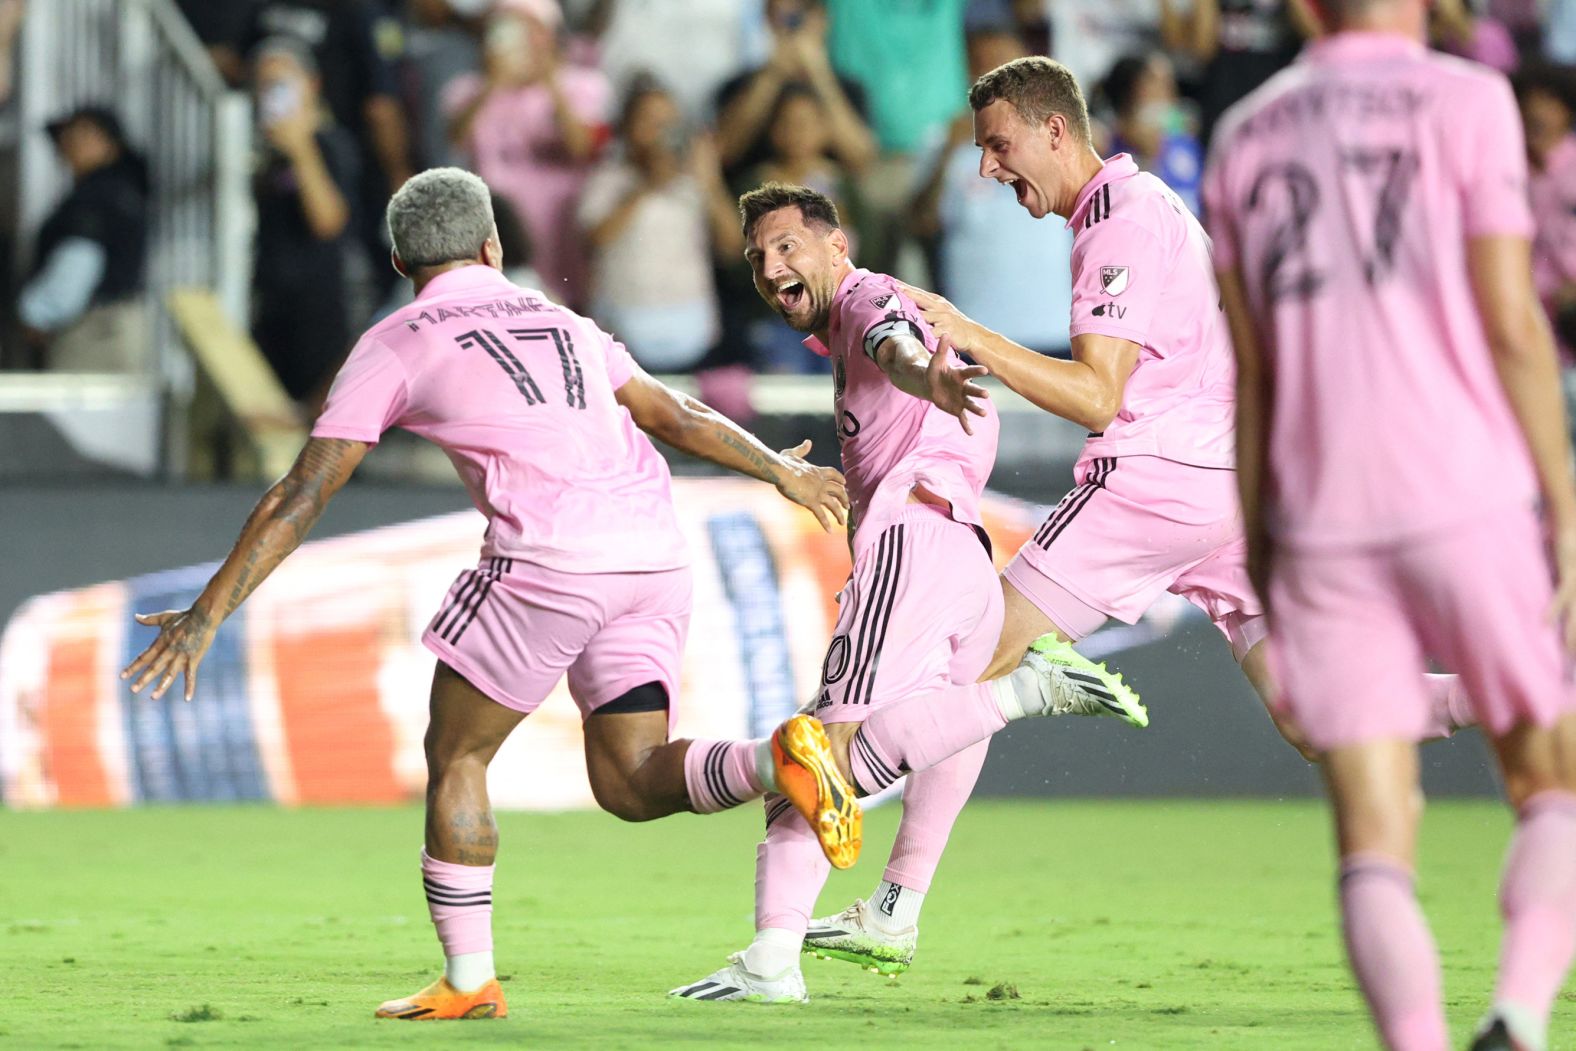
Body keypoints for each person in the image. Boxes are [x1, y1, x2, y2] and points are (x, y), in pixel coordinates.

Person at [772, 55, 1477, 976]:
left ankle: (895, 903)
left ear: (1054, 129)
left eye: (999, 145)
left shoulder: (1119, 221)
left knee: (970, 658)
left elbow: (1102, 396)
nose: (988, 168)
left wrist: (968, 329)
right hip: (1237, 485)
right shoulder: (1149, 209)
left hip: (1159, 479)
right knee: (1313, 715)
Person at [121, 167, 850, 1022]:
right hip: (653, 558)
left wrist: (208, 611)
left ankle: (469, 978)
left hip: (547, 564)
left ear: (399, 260)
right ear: (492, 246)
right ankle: (778, 760)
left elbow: (303, 492)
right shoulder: (565, 321)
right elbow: (673, 413)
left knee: (458, 758)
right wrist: (782, 469)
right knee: (629, 781)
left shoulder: (394, 340)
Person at [1203, 2, 1576, 1047]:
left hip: (1317, 514)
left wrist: (1265, 543)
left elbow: (1256, 378)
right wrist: (1563, 501)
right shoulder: (1470, 101)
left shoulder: (1244, 137)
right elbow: (1510, 319)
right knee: (1551, 777)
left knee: (1373, 835)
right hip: (1464, 489)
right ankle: (1517, 1010)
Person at [667, 182, 1137, 1003]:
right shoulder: (866, 317)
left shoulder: (866, 298)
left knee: (815, 757)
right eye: (756, 258)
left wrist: (926, 378)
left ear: (836, 245)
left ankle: (772, 960)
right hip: (964, 557)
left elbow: (892, 344)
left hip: (912, 541)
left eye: (787, 246)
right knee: (928, 738)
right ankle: (894, 908)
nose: (771, 266)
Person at [910, 25, 1074, 357]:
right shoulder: (940, 141)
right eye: (984, 66)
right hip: (973, 333)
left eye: (1006, 67)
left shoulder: (1060, 137)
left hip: (1057, 328)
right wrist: (946, 153)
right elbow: (921, 224)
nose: (996, 79)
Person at [445, 0, 609, 308]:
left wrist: (551, 80)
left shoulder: (582, 84)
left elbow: (582, 148)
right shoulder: (468, 89)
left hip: (560, 228)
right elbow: (455, 138)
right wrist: (493, 82)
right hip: (501, 228)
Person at [577, 77, 741, 372]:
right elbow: (595, 238)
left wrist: (712, 185)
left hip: (691, 327)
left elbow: (732, 248)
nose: (659, 132)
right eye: (648, 121)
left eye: (667, 121)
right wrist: (646, 185)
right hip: (623, 331)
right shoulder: (608, 178)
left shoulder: (696, 182)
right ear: (626, 128)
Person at [249, 36, 360, 403]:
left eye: (281, 84)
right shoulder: (260, 152)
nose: (270, 94)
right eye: (263, 85)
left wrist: (301, 149)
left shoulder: (329, 144)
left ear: (311, 85)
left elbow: (328, 222)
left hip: (318, 310)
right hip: (270, 305)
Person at [19, 104, 150, 372]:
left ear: (111, 146)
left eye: (84, 134)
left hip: (91, 331)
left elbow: (78, 263)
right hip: (115, 328)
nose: (70, 141)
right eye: (69, 134)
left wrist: (39, 314)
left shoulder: (96, 197)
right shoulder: (120, 192)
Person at [713, 0, 874, 181]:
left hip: (828, 202)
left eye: (801, 15)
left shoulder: (849, 89)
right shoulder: (738, 85)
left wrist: (820, 75)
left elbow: (862, 160)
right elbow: (722, 153)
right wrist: (771, 76)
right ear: (767, 19)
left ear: (823, 19)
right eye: (782, 16)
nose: (792, 25)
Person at [1516, 65, 1576, 363]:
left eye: (1549, 102)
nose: (1536, 110)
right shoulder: (1507, 168)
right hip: (1521, 321)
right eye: (1529, 100)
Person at [1099, 52, 1202, 217]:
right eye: (1158, 83)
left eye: (1170, 82)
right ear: (1132, 90)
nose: (1170, 92)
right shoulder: (1104, 151)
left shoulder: (1185, 143)